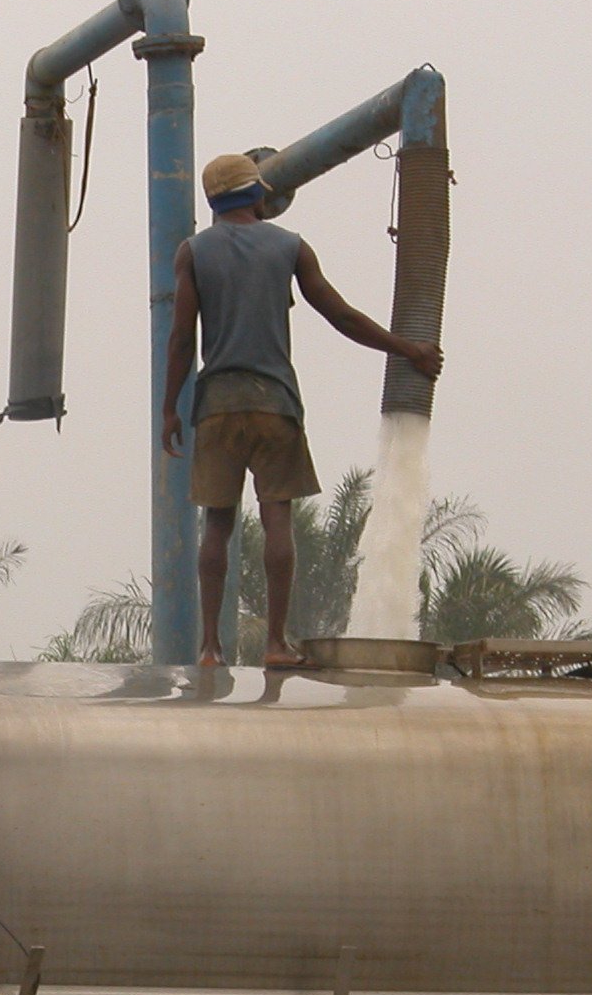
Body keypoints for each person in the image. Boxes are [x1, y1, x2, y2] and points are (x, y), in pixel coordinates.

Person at [161, 152, 445, 669]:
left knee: (217, 526)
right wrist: (408, 349)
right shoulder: (290, 248)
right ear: (256, 195)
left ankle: (209, 649)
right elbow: (340, 316)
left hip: (217, 403)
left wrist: (169, 410)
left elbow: (182, 338)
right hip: (275, 402)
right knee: (277, 519)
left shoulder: (192, 253)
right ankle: (274, 643)